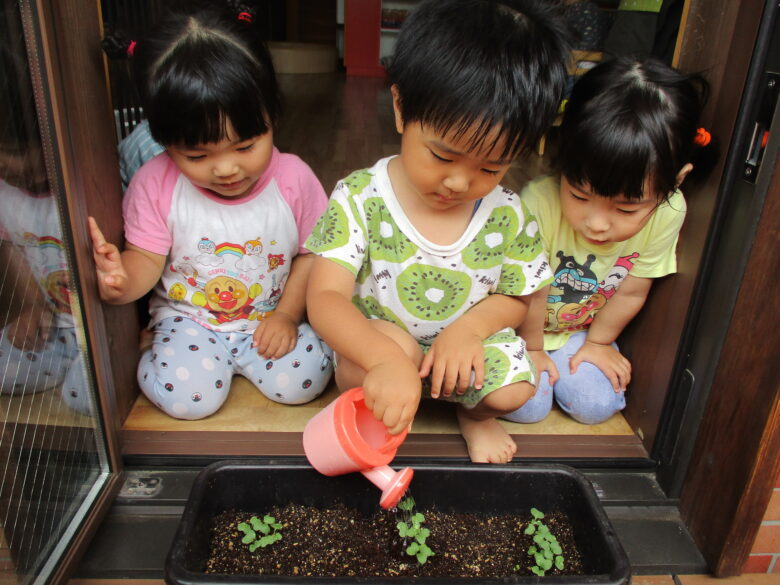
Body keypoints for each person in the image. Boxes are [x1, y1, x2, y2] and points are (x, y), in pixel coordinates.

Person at [305, 0, 571, 463]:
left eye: (490, 166)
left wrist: (468, 330)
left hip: (463, 352)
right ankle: (383, 400)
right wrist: (385, 360)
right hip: (381, 345)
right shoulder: (360, 197)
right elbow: (325, 298)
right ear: (401, 109)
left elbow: (517, 295)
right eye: (443, 157)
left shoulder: (508, 213)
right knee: (386, 350)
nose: (458, 183)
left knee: (517, 390)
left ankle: (473, 417)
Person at [90, 1, 333, 420]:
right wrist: (122, 280)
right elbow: (146, 259)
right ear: (162, 138)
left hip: (268, 316)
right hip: (191, 322)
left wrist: (287, 316)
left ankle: (228, 356)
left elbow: (312, 255)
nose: (226, 169)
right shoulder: (156, 182)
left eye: (245, 147)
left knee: (305, 382)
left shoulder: (293, 179)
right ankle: (160, 350)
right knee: (191, 401)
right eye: (197, 155)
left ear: (273, 115)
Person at [504, 57, 717, 425]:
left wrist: (598, 343)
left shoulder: (668, 211)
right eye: (580, 196)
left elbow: (632, 288)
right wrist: (533, 348)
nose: (598, 224)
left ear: (676, 181)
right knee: (525, 407)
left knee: (595, 405)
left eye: (625, 208)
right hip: (521, 325)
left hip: (578, 329)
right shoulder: (537, 202)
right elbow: (528, 291)